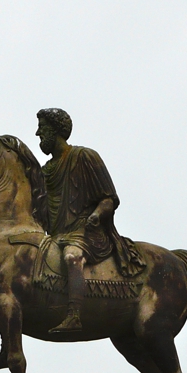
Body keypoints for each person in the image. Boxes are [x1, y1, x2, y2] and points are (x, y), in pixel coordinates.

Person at [36, 108, 143, 333]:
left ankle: (74, 315)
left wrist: (96, 215)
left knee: (72, 256)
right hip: (56, 235)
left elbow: (108, 199)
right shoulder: (46, 171)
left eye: (42, 128)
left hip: (85, 231)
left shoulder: (84, 156)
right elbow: (30, 206)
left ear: (55, 131)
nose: (37, 133)